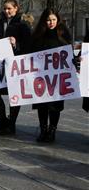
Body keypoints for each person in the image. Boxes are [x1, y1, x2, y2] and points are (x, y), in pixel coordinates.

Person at [0, 0, 32, 135]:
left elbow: (28, 45)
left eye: (9, 8)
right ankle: (2, 120)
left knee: (14, 94)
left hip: (16, 64)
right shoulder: (1, 21)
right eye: (5, 8)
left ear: (16, 8)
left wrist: (16, 43)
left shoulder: (23, 23)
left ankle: (11, 124)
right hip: (1, 63)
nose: (7, 11)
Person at [31, 8, 72, 142]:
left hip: (58, 77)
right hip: (41, 76)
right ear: (44, 21)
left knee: (55, 105)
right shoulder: (37, 36)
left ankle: (52, 130)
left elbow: (69, 52)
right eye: (48, 20)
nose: (51, 22)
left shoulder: (63, 33)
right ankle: (43, 130)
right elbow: (30, 54)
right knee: (42, 105)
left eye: (54, 19)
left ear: (57, 20)